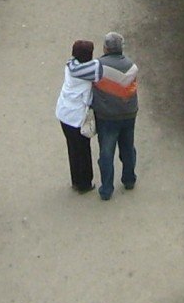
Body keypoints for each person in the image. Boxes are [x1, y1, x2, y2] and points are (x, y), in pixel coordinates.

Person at [91, 30, 139, 200]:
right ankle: (129, 179)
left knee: (106, 152)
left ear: (106, 48)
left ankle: (107, 190)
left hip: (107, 117)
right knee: (127, 147)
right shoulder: (132, 67)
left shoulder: (98, 66)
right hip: (129, 114)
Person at [55, 38, 98, 193]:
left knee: (73, 148)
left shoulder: (70, 65)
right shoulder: (89, 72)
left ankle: (76, 180)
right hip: (77, 117)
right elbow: (100, 70)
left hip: (63, 112)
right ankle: (85, 183)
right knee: (83, 150)